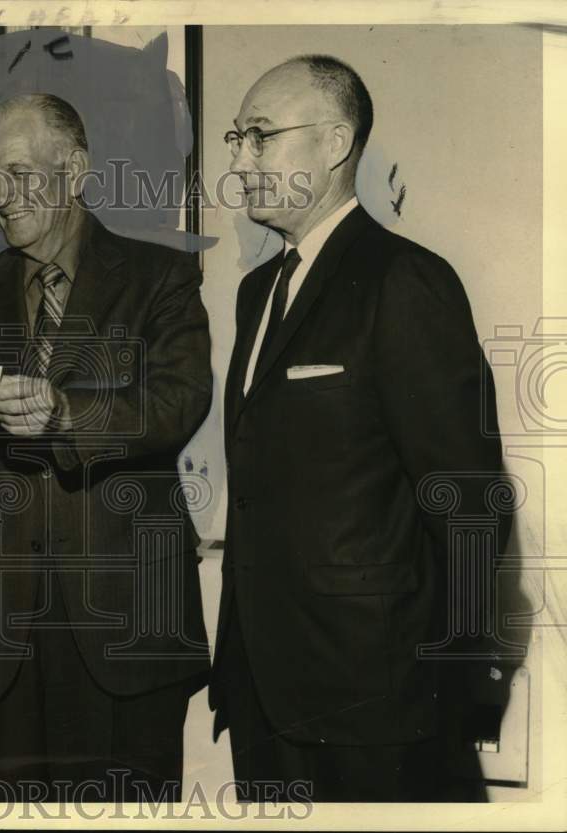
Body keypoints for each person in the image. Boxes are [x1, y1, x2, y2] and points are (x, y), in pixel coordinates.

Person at [209, 55, 510, 802]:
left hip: (379, 706)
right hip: (265, 698)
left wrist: (453, 682)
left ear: (336, 143)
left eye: (260, 136)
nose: (240, 159)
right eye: (236, 138)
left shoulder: (403, 281)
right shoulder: (257, 292)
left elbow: (468, 501)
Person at [0, 93, 213, 802]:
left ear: (74, 169)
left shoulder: (161, 279)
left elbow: (176, 403)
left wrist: (66, 414)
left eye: (18, 173)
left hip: (127, 633)